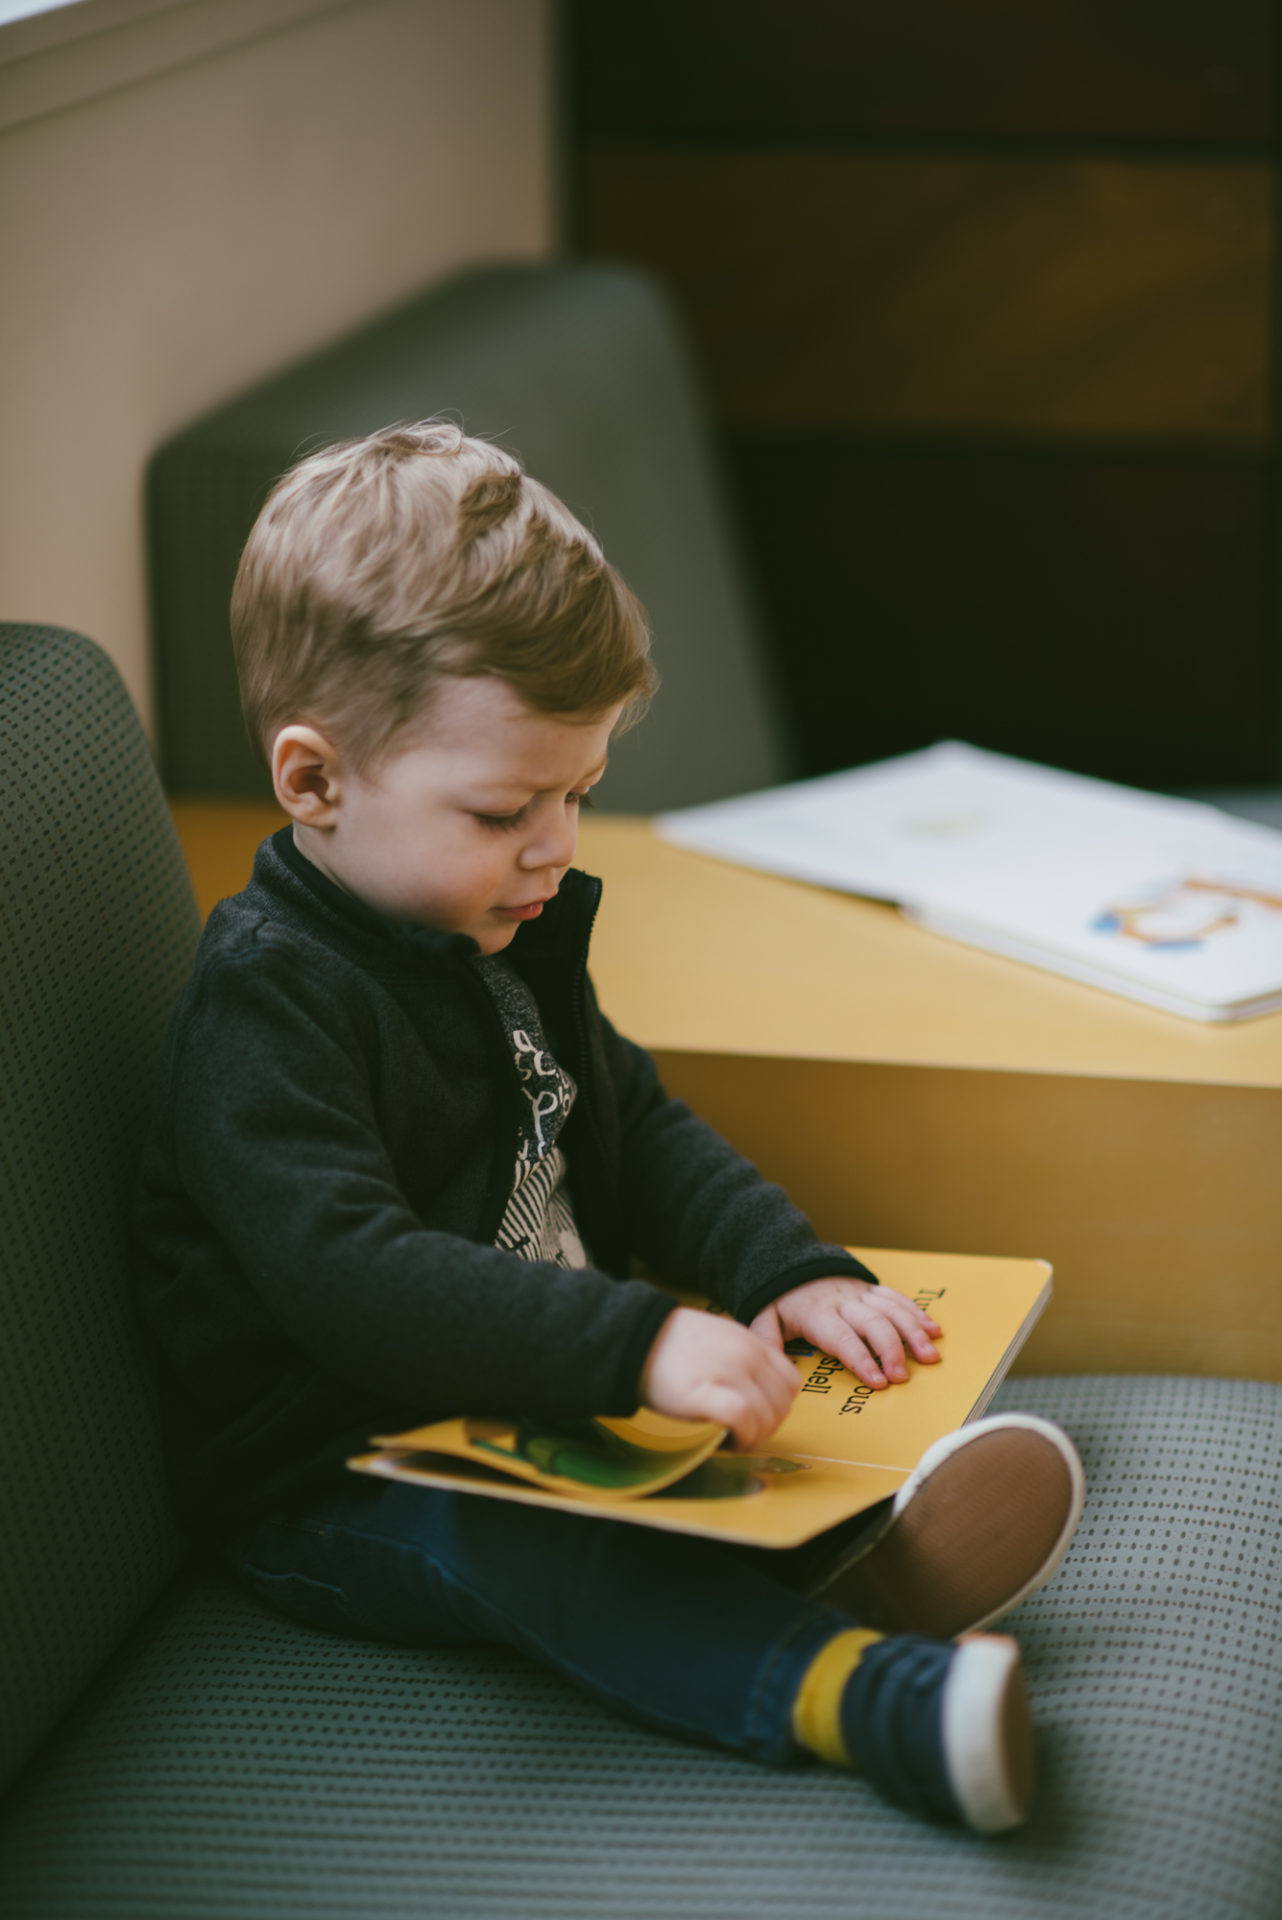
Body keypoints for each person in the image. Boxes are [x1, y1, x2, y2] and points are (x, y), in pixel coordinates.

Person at [133, 421, 1084, 1835]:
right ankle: (854, 1698)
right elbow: (351, 1282)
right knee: (537, 1539)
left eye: (576, 793)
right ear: (315, 783)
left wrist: (783, 1269)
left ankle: (840, 1566)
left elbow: (622, 1119)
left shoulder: (486, 923)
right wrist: (633, 1341)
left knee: (721, 1430)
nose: (556, 845)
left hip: (513, 1399)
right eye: (506, 807)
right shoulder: (266, 1008)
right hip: (332, 1473)